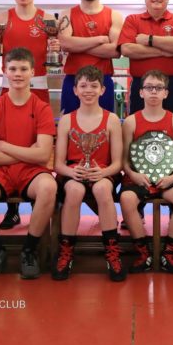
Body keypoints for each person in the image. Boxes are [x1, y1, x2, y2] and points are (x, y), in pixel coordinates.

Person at [0, 47, 57, 279]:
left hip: (33, 172)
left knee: (49, 187)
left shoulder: (42, 108)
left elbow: (43, 155)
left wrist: (5, 146)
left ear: (32, 73)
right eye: (13, 69)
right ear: (5, 71)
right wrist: (28, 151)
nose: (18, 74)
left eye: (23, 69)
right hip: (0, 172)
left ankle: (29, 249)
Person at [0, 0, 61, 230]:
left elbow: (56, 52)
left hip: (38, 85)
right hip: (9, 86)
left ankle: (39, 200)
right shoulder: (2, 18)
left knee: (35, 142)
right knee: (7, 138)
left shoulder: (47, 19)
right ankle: (12, 208)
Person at [52, 66, 126, 281]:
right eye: (83, 86)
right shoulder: (66, 120)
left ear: (103, 90)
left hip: (104, 172)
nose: (88, 90)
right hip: (73, 173)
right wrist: (71, 172)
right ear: (74, 90)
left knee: (103, 189)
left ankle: (112, 250)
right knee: (74, 191)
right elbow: (58, 164)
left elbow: (118, 163)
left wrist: (103, 172)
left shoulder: (111, 119)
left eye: (94, 86)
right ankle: (66, 249)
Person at [120, 70, 173, 274]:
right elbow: (125, 159)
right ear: (140, 93)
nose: (153, 92)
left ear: (166, 93)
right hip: (138, 176)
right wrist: (133, 175)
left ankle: (170, 250)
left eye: (158, 88)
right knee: (126, 199)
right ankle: (143, 251)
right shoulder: (131, 121)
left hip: (169, 177)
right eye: (149, 88)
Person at [119, 0, 173, 117]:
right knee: (139, 130)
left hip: (172, 85)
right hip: (141, 84)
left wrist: (149, 40)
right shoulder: (132, 19)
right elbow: (127, 50)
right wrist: (166, 50)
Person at [59, 0, 124, 114]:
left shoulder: (115, 15)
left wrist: (78, 45)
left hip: (102, 79)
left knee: (104, 125)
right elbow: (65, 44)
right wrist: (100, 39)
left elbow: (114, 51)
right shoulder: (67, 14)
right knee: (70, 124)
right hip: (73, 79)